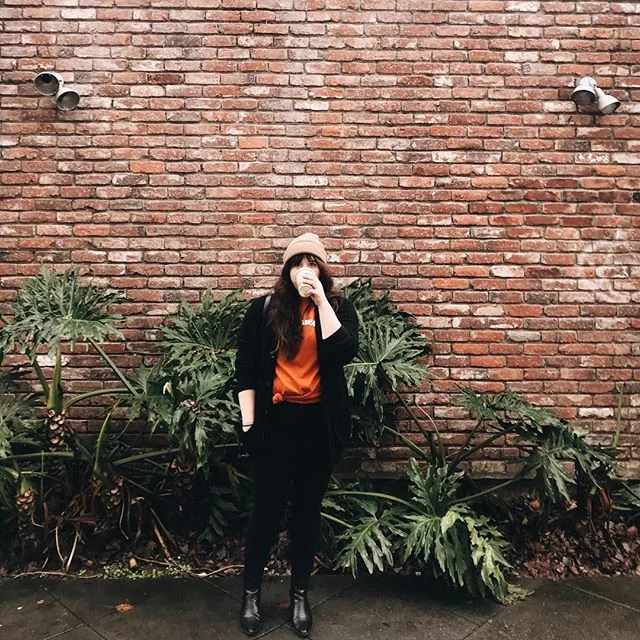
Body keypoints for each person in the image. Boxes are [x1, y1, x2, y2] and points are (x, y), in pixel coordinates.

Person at [234, 232, 359, 637]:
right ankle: (251, 593)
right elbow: (246, 369)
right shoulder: (265, 310)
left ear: (323, 270)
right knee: (266, 513)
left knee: (307, 514)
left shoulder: (337, 308)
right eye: (297, 263)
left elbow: (345, 352)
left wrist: (321, 301)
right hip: (275, 425)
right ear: (286, 271)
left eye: (312, 263)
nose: (305, 270)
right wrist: (250, 425)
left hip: (316, 428)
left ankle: (300, 594)